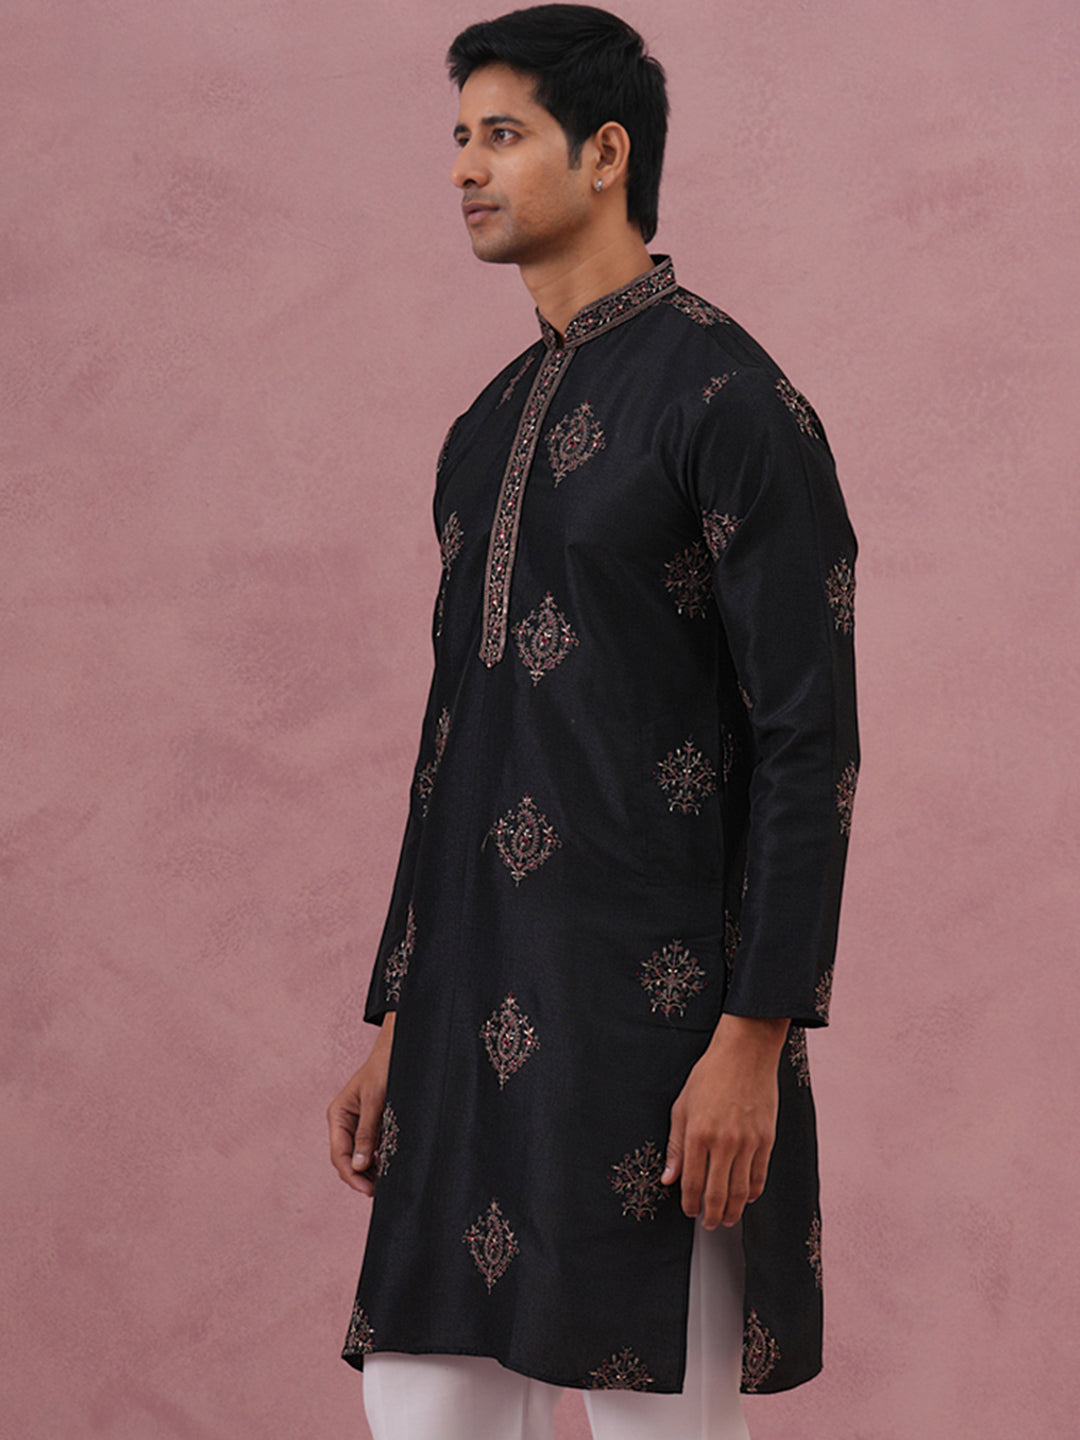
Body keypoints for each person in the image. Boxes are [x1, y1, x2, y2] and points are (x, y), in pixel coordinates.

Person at [326, 7, 859, 1437]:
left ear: (606, 153)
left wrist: (754, 1037)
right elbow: (456, 743)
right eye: (459, 137)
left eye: (502, 135)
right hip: (466, 1033)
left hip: (657, 1036)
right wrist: (397, 1015)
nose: (465, 169)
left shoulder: (730, 399)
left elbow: (809, 747)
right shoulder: (482, 429)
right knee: (419, 1405)